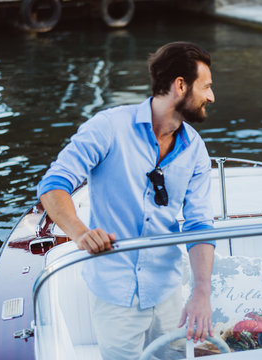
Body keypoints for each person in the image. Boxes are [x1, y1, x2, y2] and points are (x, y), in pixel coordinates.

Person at [37, 41, 216, 359]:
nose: (211, 97)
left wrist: (202, 290)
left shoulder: (196, 149)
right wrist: (80, 233)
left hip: (169, 289)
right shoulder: (108, 127)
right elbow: (53, 186)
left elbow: (199, 223)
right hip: (115, 292)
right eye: (206, 87)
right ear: (179, 86)